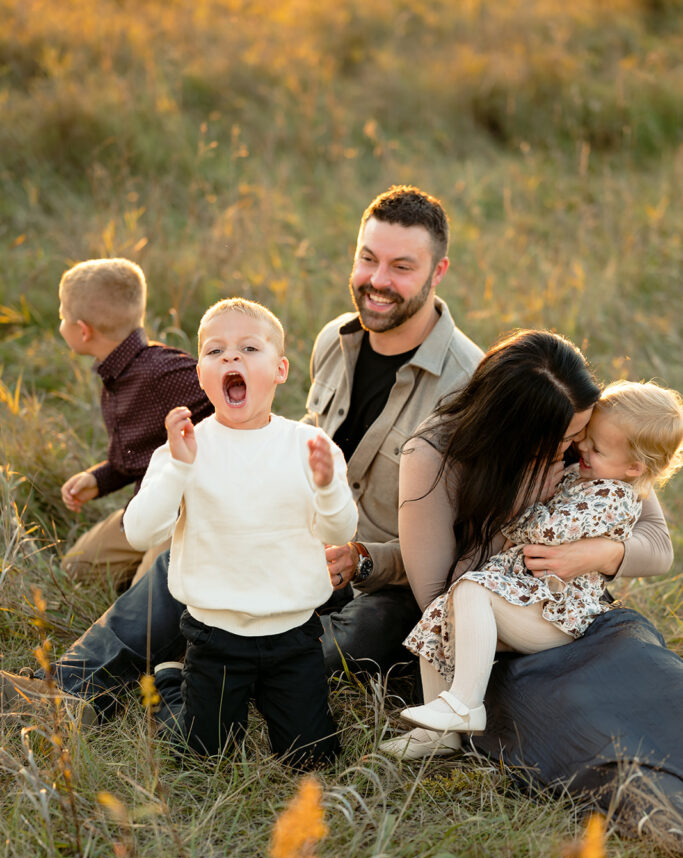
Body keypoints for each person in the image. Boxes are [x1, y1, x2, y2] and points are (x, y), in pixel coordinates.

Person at [0, 185, 485, 718]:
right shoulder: (335, 340)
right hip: (293, 540)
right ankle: (65, 692)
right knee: (182, 561)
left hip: (381, 584)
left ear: (438, 272)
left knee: (345, 641)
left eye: (402, 267)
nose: (377, 281)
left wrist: (366, 559)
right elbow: (293, 442)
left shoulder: (468, 387)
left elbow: (459, 539)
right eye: (367, 259)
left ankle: (181, 682)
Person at [121, 298, 357, 764]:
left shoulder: (309, 448)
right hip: (215, 635)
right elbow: (140, 534)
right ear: (200, 374)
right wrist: (179, 472)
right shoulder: (185, 449)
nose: (231, 357)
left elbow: (340, 529)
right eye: (215, 351)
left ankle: (281, 716)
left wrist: (328, 486)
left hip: (293, 635)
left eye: (249, 347)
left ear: (280, 369)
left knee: (312, 759)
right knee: (204, 757)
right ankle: (173, 684)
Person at [399, 378, 683, 737]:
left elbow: (547, 531)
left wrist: (519, 504)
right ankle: (436, 733)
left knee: (471, 590)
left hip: (556, 612)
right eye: (584, 436)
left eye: (595, 447)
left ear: (634, 468)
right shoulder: (588, 474)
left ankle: (466, 704)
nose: (580, 445)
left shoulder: (613, 495)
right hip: (525, 594)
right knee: (441, 614)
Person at [57, 257, 212, 586]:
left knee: (149, 609)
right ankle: (146, 568)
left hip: (187, 512)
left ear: (83, 331)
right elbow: (140, 452)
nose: (60, 322)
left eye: (61, 315)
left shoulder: (163, 371)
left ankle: (173, 573)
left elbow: (225, 401)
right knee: (76, 569)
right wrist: (97, 479)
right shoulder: (117, 375)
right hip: (149, 502)